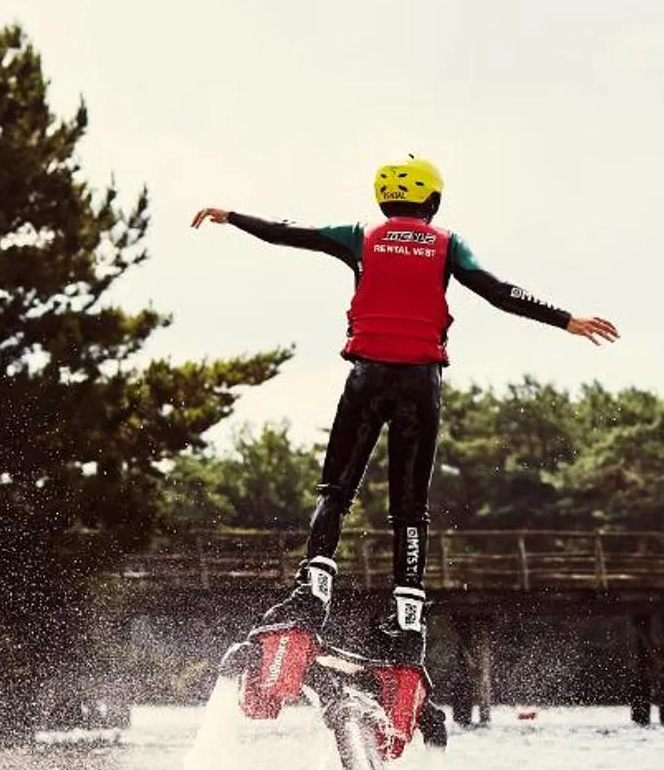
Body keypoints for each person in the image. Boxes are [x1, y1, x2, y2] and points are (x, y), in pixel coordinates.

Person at [192, 158, 619, 692]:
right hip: (420, 385)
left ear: (382, 199)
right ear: (432, 201)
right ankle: (408, 616)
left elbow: (289, 234)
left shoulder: (360, 236)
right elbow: (498, 290)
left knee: (335, 490)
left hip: (367, 380)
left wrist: (232, 216)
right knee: (410, 510)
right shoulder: (447, 244)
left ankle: (315, 586)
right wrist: (565, 319)